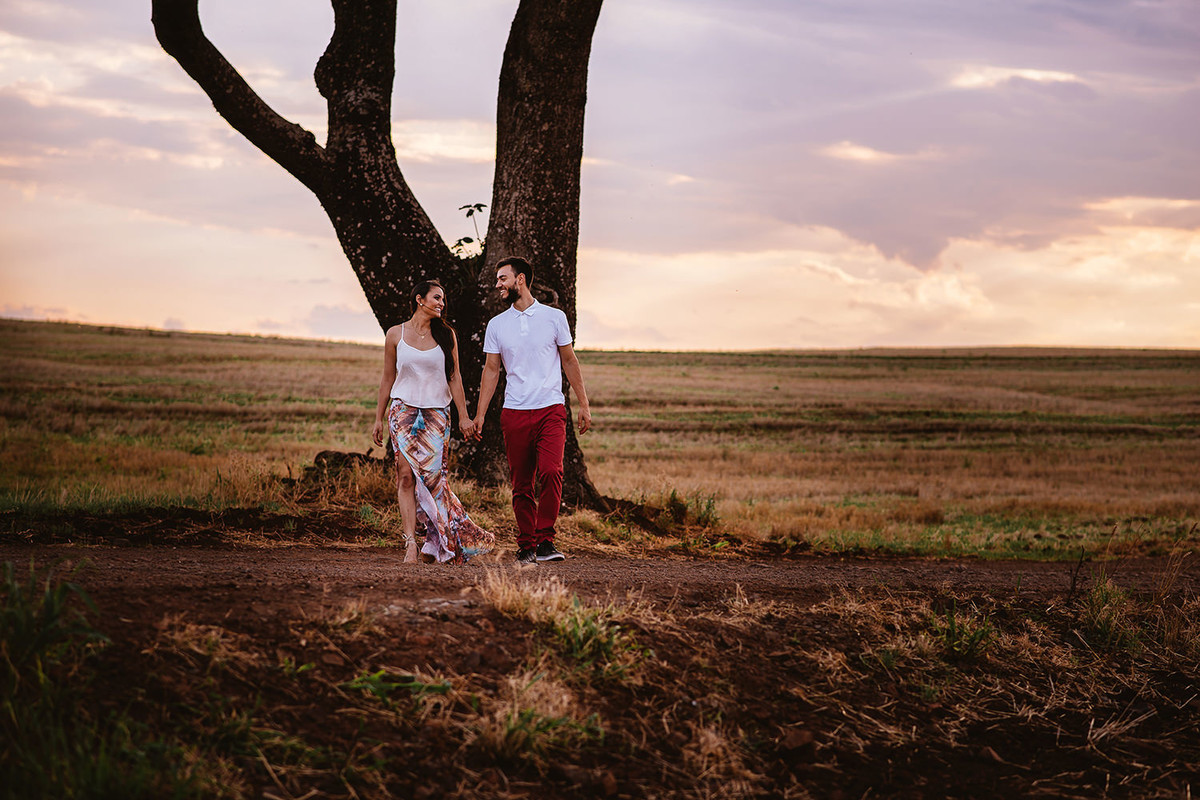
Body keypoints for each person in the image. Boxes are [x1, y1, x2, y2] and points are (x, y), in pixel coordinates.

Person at [473, 256, 592, 565]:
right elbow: (491, 370)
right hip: (514, 412)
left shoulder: (554, 317)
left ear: (520, 280)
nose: (497, 284)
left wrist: (583, 403)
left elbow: (569, 360)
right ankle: (526, 545)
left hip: (551, 408)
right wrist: (481, 415)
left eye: (503, 278)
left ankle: (545, 541)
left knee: (552, 471)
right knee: (521, 483)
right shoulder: (497, 325)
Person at [371, 280, 495, 564]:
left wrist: (464, 416)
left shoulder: (447, 334)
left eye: (443, 299)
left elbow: (455, 377)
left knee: (434, 480)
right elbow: (388, 377)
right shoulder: (395, 334)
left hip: (437, 414)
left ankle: (438, 540)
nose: (441, 303)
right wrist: (378, 417)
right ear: (419, 299)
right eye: (436, 298)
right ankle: (410, 543)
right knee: (405, 476)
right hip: (402, 412)